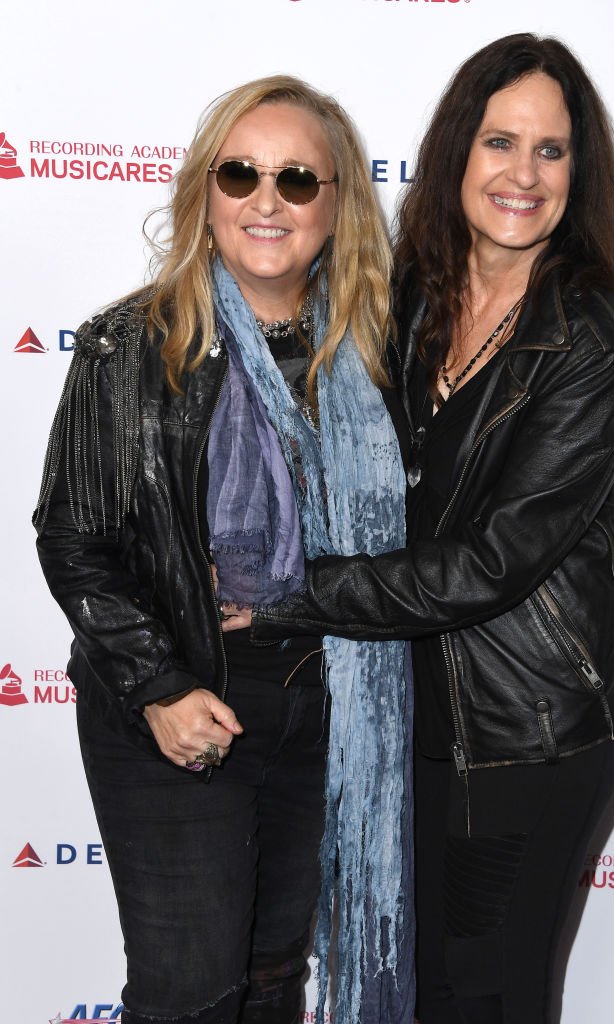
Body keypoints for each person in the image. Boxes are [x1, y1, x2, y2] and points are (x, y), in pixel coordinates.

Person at [243, 35, 614, 1024]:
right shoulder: (413, 304)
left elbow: (487, 566)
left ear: (579, 174)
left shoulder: (592, 347)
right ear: (456, 156)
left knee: (485, 994)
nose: (523, 174)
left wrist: (285, 592)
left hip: (528, 729)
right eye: (499, 142)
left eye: (552, 151)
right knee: (423, 988)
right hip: (415, 707)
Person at [33, 77, 413, 1024]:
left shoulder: (377, 350)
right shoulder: (133, 344)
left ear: (337, 206)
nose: (266, 200)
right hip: (182, 700)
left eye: (297, 179)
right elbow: (74, 539)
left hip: (331, 700)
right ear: (206, 191)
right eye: (240, 173)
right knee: (190, 991)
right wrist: (158, 687)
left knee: (276, 974)